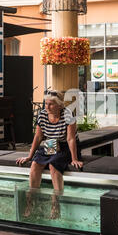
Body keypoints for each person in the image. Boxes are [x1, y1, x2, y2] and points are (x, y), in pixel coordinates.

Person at [16, 90, 83, 218]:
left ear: (60, 105)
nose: (47, 107)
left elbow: (71, 139)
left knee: (54, 165)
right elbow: (38, 137)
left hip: (66, 146)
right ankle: (31, 203)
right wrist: (29, 156)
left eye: (51, 104)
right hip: (51, 143)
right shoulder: (42, 115)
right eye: (46, 104)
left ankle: (55, 204)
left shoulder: (68, 115)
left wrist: (74, 158)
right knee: (35, 164)